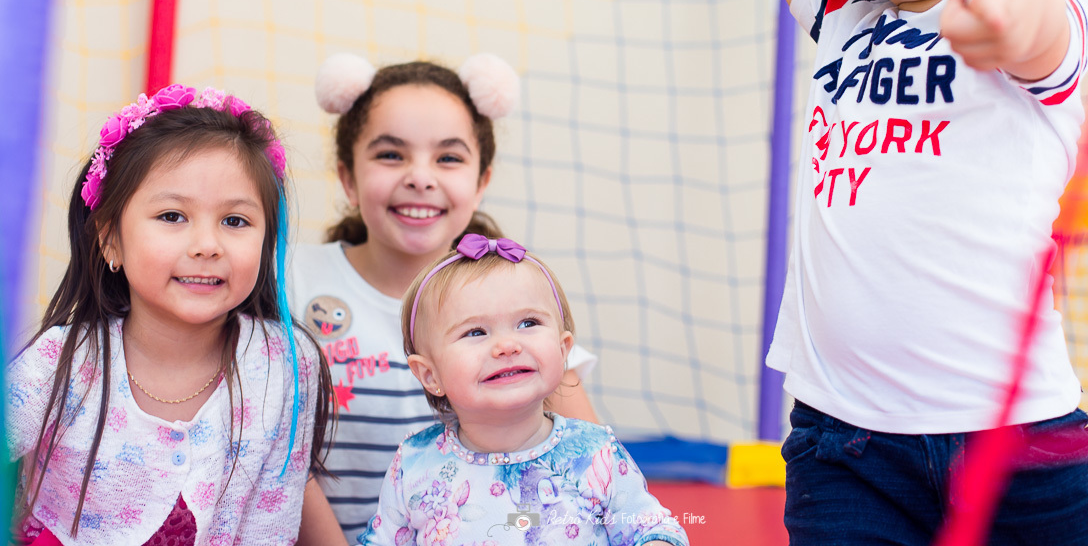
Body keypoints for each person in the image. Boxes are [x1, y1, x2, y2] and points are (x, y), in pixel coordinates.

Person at [766, 0, 1088, 546]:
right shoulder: (845, 17)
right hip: (844, 443)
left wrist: (1004, 18)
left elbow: (1038, 31)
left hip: (1017, 434)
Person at [5, 84, 334, 545]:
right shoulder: (60, 362)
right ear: (110, 239)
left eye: (235, 221)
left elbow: (272, 517)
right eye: (172, 216)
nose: (206, 245)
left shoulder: (284, 362)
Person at [291, 54, 598, 544]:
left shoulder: (519, 298)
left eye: (448, 158)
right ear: (347, 177)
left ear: (481, 183)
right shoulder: (293, 281)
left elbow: (589, 460)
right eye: (391, 154)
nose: (420, 176)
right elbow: (276, 453)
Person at [357, 235, 687, 546]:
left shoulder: (595, 454)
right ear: (429, 374)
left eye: (528, 323)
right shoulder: (414, 464)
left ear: (563, 350)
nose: (507, 345)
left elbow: (651, 527)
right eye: (475, 332)